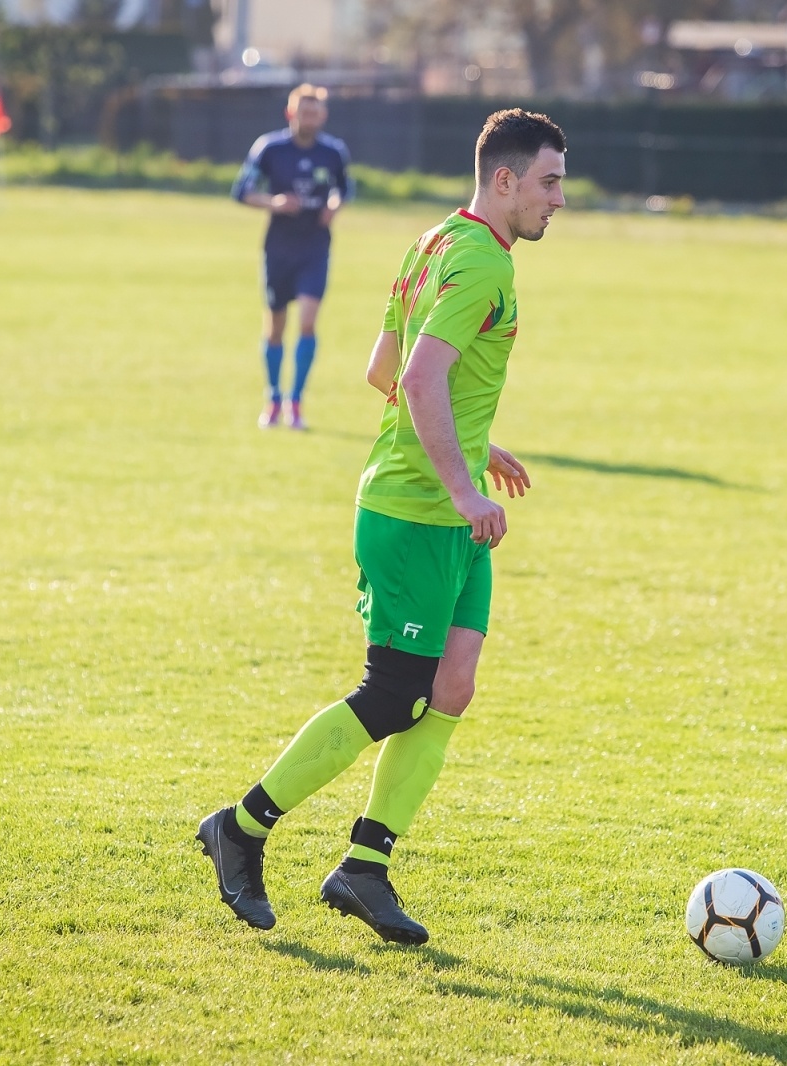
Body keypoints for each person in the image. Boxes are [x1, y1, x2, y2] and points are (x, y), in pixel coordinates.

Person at [198, 109, 568, 944]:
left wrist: (476, 446)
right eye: (548, 181)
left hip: (450, 508)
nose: (558, 199)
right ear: (503, 180)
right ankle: (241, 828)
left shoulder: (437, 239)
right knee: (394, 694)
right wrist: (463, 485)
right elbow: (420, 377)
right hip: (416, 512)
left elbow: (382, 370)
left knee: (452, 686)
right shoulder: (478, 263)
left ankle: (364, 867)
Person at [230, 84, 354, 430]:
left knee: (309, 322)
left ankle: (295, 401)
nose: (310, 119)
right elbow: (242, 190)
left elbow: (344, 188)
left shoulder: (333, 152)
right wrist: (274, 203)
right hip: (278, 249)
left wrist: (334, 204)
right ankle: (273, 397)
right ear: (290, 114)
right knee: (275, 328)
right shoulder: (270, 148)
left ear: (323, 116)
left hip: (315, 248)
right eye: (304, 112)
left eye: (316, 113)